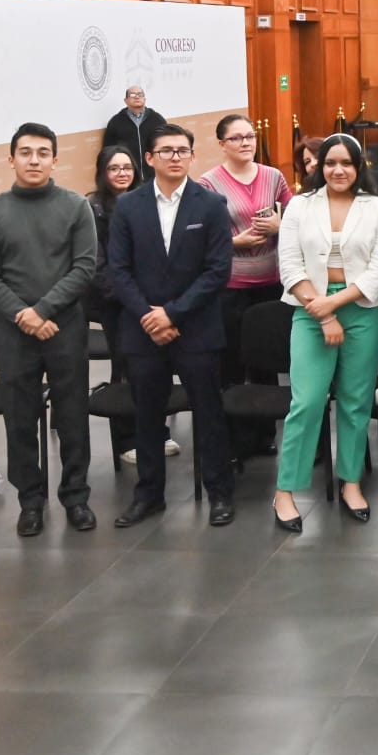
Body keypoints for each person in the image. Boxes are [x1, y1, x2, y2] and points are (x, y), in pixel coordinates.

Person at [107, 123, 236, 528]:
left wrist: (173, 314)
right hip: (143, 329)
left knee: (208, 413)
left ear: (193, 157)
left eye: (182, 150)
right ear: (149, 158)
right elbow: (118, 270)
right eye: (166, 151)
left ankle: (219, 493)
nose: (175, 157)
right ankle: (149, 495)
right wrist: (150, 316)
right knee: (147, 416)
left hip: (195, 328)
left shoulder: (211, 205)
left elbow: (217, 271)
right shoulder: (128, 206)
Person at [0, 123, 97, 537]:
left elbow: (84, 267)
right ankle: (30, 501)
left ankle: (76, 497)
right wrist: (23, 315)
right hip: (14, 332)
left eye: (43, 153)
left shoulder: (75, 206)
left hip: (65, 326)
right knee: (19, 418)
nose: (34, 160)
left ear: (55, 160)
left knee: (72, 415)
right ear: (11, 159)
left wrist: (41, 311)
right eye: (25, 152)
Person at [273, 133, 378, 532]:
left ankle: (351, 482)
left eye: (346, 163)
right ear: (319, 166)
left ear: (359, 167)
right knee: (307, 401)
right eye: (330, 163)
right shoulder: (299, 206)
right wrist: (323, 313)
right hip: (310, 307)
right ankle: (285, 490)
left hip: (364, 308)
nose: (338, 170)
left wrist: (336, 304)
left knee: (356, 401)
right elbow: (290, 266)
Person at [199, 114, 294, 462]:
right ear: (222, 144)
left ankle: (265, 435)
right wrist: (235, 242)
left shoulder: (273, 176)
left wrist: (280, 224)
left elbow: (297, 217)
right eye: (237, 138)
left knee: (266, 362)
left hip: (271, 283)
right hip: (231, 285)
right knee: (232, 363)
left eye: (250, 136)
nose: (246, 143)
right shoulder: (208, 183)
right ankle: (236, 440)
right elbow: (202, 236)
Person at [87, 145, 174, 463]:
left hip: (150, 300)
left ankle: (157, 431)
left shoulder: (148, 200)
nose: (122, 173)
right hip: (115, 303)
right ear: (103, 173)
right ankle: (127, 439)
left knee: (156, 368)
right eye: (114, 168)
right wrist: (129, 297)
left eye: (127, 167)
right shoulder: (93, 207)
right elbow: (97, 264)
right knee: (124, 368)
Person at [102, 85, 166, 183]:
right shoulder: (116, 122)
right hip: (128, 176)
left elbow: (166, 145)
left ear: (145, 99)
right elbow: (108, 151)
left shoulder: (157, 119)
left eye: (140, 94)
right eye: (132, 95)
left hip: (154, 175)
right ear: (126, 100)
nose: (137, 97)